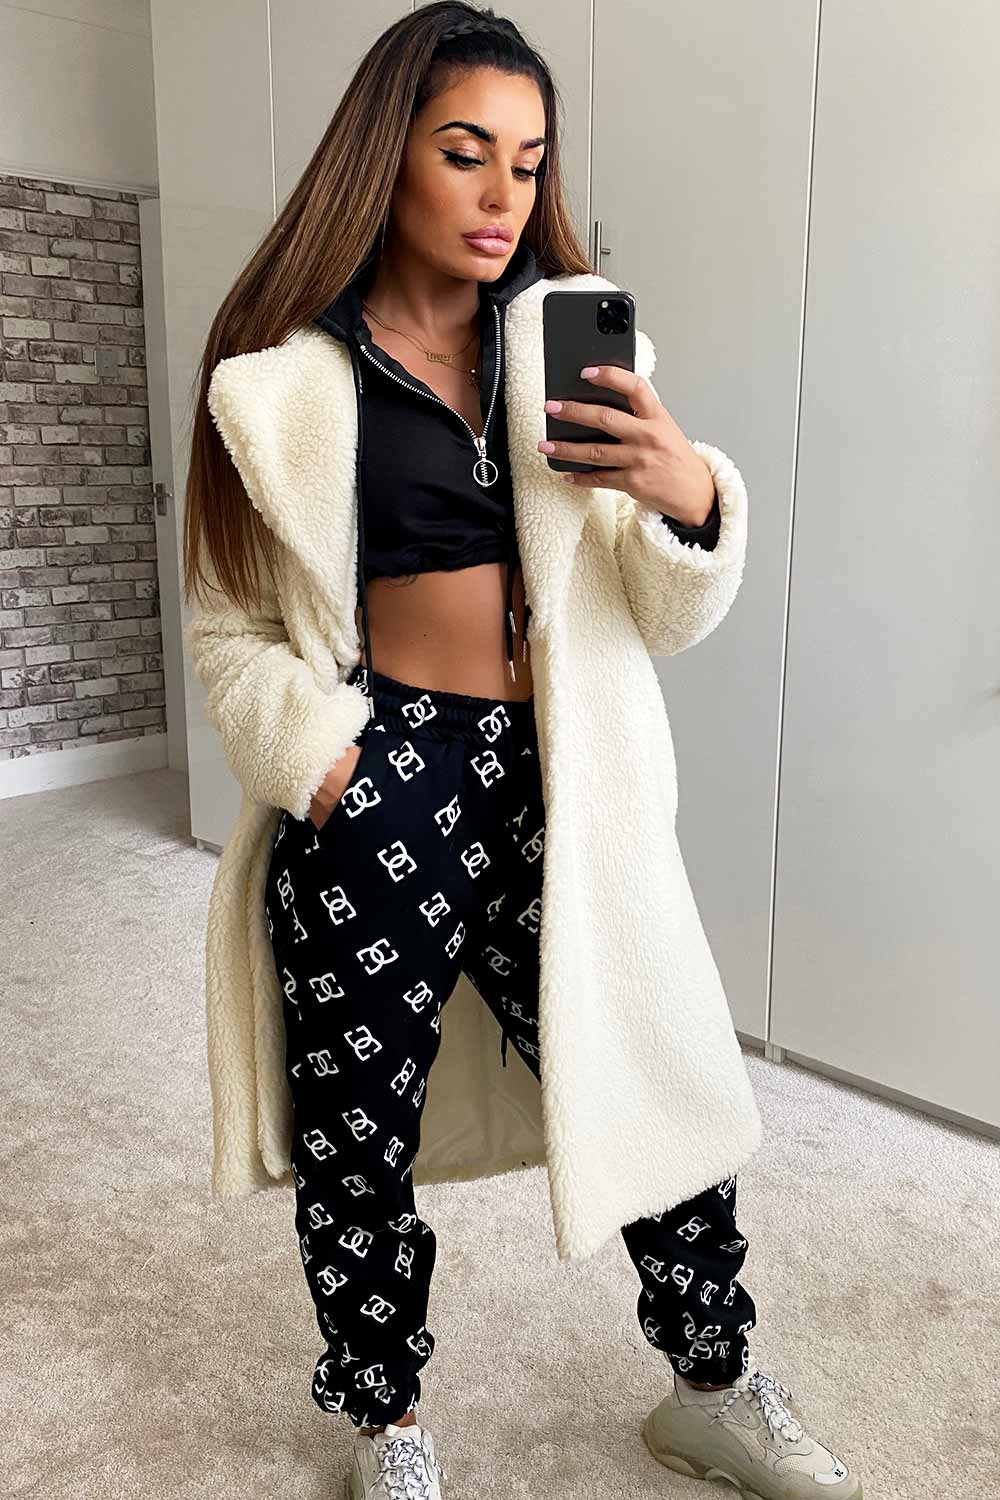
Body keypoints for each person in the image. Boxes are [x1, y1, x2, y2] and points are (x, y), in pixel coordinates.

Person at [182, 6, 862, 1498]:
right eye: (465, 152)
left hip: (564, 776)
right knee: (356, 1131)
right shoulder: (282, 384)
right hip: (377, 780)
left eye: (530, 160)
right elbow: (228, 630)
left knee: (656, 1078)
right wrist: (329, 766)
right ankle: (390, 1425)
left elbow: (661, 613)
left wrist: (688, 495)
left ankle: (714, 1385)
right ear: (386, 159)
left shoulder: (568, 347)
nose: (503, 194)